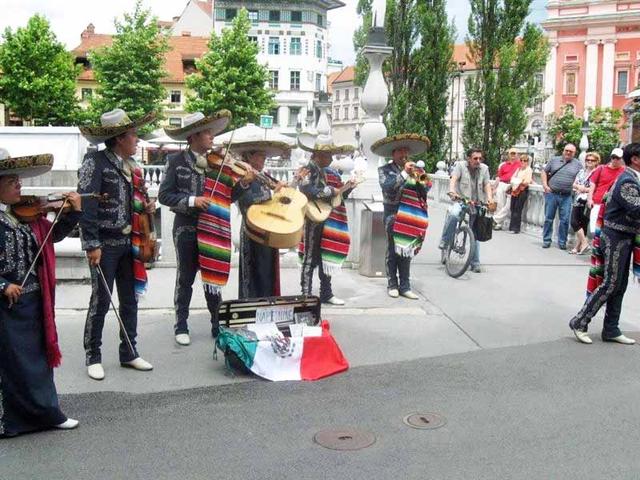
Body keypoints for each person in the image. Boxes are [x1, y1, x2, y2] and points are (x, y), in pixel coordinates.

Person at [0, 149, 81, 437]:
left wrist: (75, 212)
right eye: (12, 182)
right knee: (13, 365)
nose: (20, 187)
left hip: (34, 300)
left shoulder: (23, 216)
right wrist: (3, 284)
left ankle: (48, 413)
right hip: (7, 305)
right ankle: (11, 422)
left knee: (39, 361)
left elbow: (52, 236)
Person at [78, 109, 156, 381]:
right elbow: (85, 204)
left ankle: (129, 352)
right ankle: (93, 355)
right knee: (101, 300)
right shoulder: (94, 162)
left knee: (130, 299)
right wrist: (91, 244)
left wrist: (146, 206)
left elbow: (138, 200)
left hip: (130, 242)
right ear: (119, 138)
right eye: (133, 135)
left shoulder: (133, 166)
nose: (137, 139)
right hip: (105, 243)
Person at [158, 111, 231, 346]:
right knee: (186, 277)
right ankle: (181, 324)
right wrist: (192, 200)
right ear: (194, 136)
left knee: (212, 276)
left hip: (211, 228)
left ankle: (216, 323)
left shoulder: (215, 163)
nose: (212, 137)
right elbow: (164, 196)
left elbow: (229, 196)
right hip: (186, 227)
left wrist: (245, 181)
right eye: (207, 132)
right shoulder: (176, 161)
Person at [569, 143, 640, 345]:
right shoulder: (627, 181)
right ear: (635, 158)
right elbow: (637, 209)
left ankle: (611, 329)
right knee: (610, 284)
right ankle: (580, 321)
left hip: (624, 237)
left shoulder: (630, 177)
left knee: (620, 285)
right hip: (616, 237)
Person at [229, 138, 292, 299]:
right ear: (249, 157)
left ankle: (268, 305)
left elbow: (282, 192)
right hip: (252, 230)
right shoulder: (242, 176)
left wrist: (285, 187)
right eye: (260, 155)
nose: (263, 159)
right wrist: (273, 194)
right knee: (253, 273)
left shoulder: (264, 175)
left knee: (267, 273)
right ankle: (251, 309)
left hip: (269, 229)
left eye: (264, 156)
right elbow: (248, 201)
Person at [297, 133, 355, 305]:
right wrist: (330, 190)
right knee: (309, 258)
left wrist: (348, 187)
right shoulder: (307, 169)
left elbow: (338, 196)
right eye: (328, 155)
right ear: (319, 155)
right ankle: (305, 295)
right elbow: (307, 190)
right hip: (312, 219)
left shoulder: (331, 172)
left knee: (326, 256)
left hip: (329, 220)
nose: (331, 158)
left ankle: (326, 293)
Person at [375, 133, 431, 298]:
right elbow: (388, 187)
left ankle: (405, 286)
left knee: (407, 251)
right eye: (400, 151)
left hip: (411, 216)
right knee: (393, 250)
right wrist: (405, 174)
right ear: (393, 154)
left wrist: (418, 177)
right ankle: (392, 283)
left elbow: (427, 187)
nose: (403, 154)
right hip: (393, 215)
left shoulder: (418, 170)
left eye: (406, 150)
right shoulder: (384, 170)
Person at [439, 148, 495, 273]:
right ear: (468, 158)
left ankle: (475, 262)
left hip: (476, 203)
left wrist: (490, 198)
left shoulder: (484, 169)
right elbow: (453, 179)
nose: (478, 161)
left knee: (474, 231)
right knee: (453, 215)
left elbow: (487, 185)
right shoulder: (460, 166)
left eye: (480, 158)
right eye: (475, 158)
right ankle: (445, 241)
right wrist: (452, 191)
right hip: (461, 200)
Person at [540, 143, 582, 249]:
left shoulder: (578, 164)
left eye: (570, 151)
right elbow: (544, 172)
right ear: (563, 151)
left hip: (567, 196)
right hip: (552, 194)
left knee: (565, 220)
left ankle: (562, 242)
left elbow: (582, 177)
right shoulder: (554, 160)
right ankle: (546, 240)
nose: (568, 152)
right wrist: (545, 185)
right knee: (549, 218)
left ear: (574, 153)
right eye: (566, 150)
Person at [587, 147, 625, 235]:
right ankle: (595, 247)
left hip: (613, 206)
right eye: (613, 157)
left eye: (618, 158)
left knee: (608, 231)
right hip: (598, 202)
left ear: (622, 159)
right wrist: (589, 199)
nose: (615, 160)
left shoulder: (624, 171)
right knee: (595, 230)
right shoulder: (601, 168)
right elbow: (592, 184)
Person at [569, 151, 599, 254]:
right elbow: (574, 184)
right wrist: (579, 187)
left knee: (582, 222)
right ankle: (582, 244)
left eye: (592, 160)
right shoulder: (581, 171)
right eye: (587, 160)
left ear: (596, 162)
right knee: (575, 221)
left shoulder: (597, 172)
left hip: (588, 200)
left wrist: (584, 189)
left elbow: (596, 188)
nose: (589, 162)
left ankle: (581, 245)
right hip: (578, 199)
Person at [492, 148, 521, 230]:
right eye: (511, 153)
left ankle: (495, 219)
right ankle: (498, 224)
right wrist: (494, 188)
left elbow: (525, 172)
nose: (513, 155)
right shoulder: (503, 165)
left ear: (517, 155)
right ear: (509, 155)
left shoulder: (520, 164)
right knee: (500, 204)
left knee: (508, 205)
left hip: (512, 185)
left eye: (514, 153)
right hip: (502, 184)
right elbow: (498, 177)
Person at [507, 153, 533, 234]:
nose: (523, 162)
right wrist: (515, 182)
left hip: (522, 190)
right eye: (521, 160)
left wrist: (519, 182)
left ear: (527, 162)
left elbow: (527, 181)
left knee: (518, 209)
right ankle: (512, 227)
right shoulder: (518, 169)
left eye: (525, 161)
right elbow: (512, 178)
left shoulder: (528, 170)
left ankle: (516, 228)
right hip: (515, 190)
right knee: (513, 208)